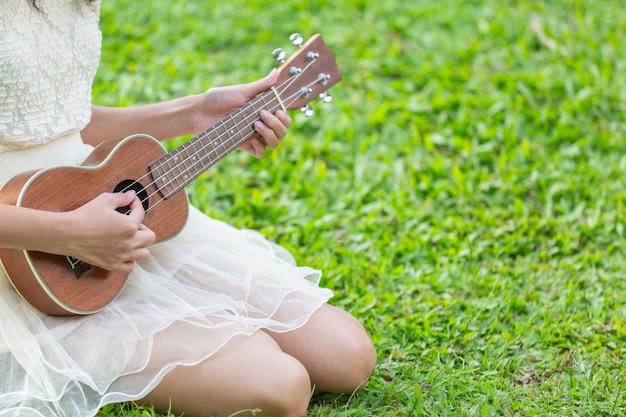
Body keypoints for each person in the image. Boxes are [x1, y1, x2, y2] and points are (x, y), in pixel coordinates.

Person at [0, 1, 376, 417]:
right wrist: (71, 234)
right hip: (20, 258)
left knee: (347, 357)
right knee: (280, 389)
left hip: (97, 202)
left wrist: (193, 112)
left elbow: (53, 119)